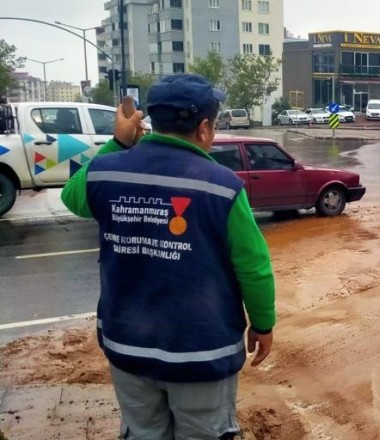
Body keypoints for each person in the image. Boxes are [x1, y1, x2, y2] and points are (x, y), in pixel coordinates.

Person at [61, 74, 276, 440]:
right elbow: (253, 266)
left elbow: (72, 197)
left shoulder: (106, 170)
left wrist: (117, 143)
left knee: (143, 434)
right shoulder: (222, 186)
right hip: (201, 351)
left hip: (127, 344)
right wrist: (263, 324)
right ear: (205, 127)